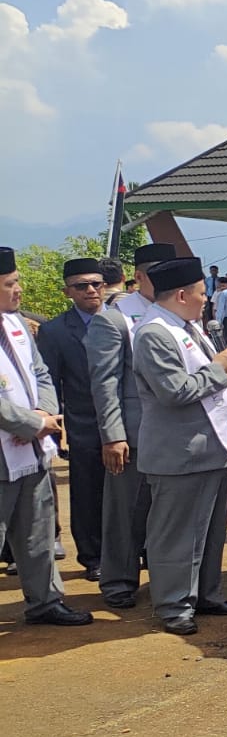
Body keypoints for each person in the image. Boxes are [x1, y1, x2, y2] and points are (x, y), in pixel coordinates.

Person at [132, 257, 227, 635]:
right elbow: (174, 391)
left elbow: (206, 374)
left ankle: (206, 594)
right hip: (179, 454)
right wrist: (221, 370)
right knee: (177, 535)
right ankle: (173, 605)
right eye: (202, 294)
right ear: (182, 295)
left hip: (211, 448)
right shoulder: (153, 334)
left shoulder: (187, 326)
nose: (207, 300)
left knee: (210, 533)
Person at [0, 246, 89, 626]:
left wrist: (44, 414)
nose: (19, 289)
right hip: (6, 452)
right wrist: (31, 424)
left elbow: (41, 374)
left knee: (37, 530)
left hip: (32, 450)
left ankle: (46, 602)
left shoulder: (17, 324)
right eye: (10, 283)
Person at [87, 243, 172, 608]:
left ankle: (164, 579)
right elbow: (104, 382)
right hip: (133, 435)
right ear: (138, 277)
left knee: (163, 512)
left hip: (172, 433)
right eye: (158, 275)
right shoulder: (116, 318)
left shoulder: (174, 313)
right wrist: (113, 435)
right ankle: (119, 581)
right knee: (125, 514)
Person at [37, 257, 108, 581]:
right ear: (68, 292)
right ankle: (93, 557)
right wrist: (55, 432)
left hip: (129, 422)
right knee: (88, 492)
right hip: (83, 425)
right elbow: (50, 383)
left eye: (96, 284)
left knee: (131, 492)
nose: (91, 290)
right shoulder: (54, 331)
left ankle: (135, 550)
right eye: (82, 286)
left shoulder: (125, 322)